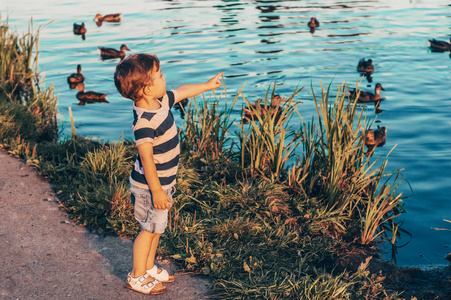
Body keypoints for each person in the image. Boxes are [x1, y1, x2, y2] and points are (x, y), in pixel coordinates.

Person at [114, 53, 223, 295]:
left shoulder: (160, 101)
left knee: (157, 228)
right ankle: (137, 275)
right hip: (149, 187)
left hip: (164, 183)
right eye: (160, 75)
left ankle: (149, 267)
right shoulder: (144, 122)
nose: (165, 78)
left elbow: (182, 91)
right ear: (145, 88)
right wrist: (156, 191)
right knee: (148, 230)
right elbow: (146, 159)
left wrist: (207, 85)